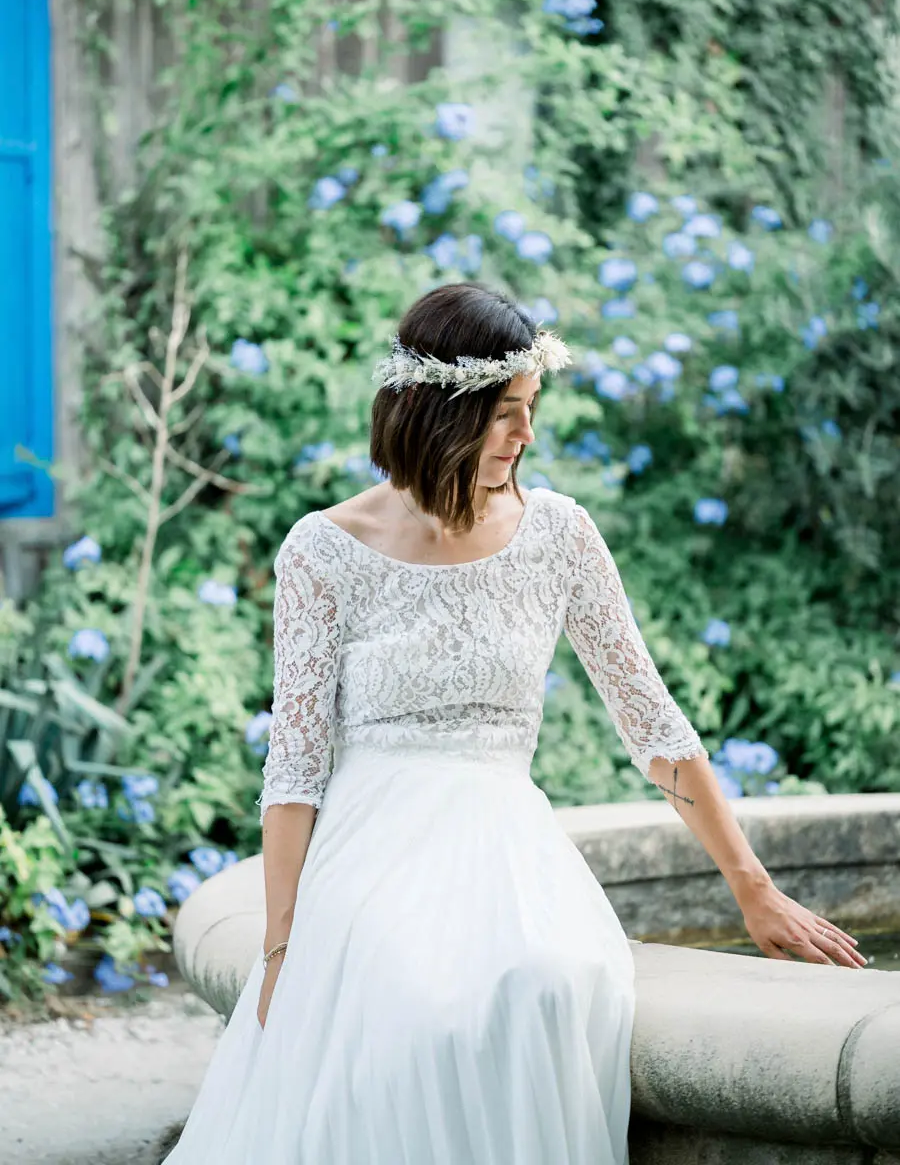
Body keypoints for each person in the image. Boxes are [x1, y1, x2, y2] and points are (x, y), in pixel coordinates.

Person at [162, 281, 865, 1165]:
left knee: (551, 985)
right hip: (371, 851)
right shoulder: (322, 550)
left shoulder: (560, 534)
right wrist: (278, 947)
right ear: (435, 411)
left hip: (507, 844)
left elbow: (654, 723)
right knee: (415, 1007)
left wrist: (751, 885)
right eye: (504, 414)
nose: (526, 436)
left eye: (530, 410)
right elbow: (295, 770)